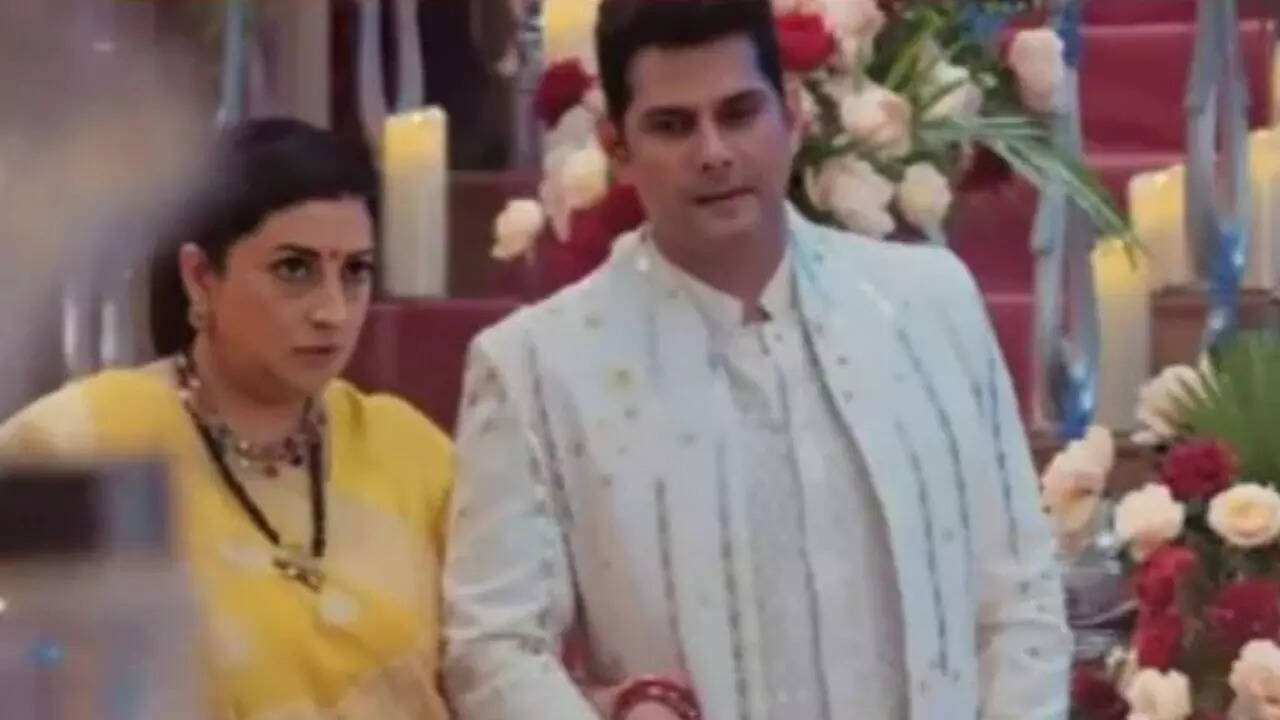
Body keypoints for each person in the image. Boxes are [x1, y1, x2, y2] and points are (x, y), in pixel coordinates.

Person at [441, 1, 1071, 719]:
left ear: (792, 115)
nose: (713, 152)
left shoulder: (930, 305)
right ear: (617, 148)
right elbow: (493, 647)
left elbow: (1020, 596)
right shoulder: (535, 367)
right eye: (672, 126)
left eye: (739, 114)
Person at [0, 119, 453, 720]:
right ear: (200, 278)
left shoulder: (409, 451)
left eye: (355, 272)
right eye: (294, 269)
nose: (333, 311)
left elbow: (498, 658)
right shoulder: (84, 443)